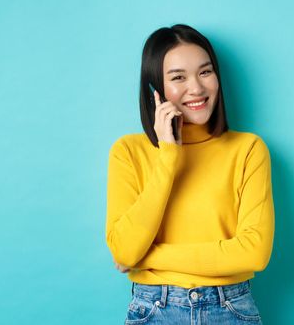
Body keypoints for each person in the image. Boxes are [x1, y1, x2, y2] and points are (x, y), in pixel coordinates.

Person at [105, 24, 275, 325]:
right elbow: (124, 247)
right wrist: (168, 156)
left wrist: (147, 257)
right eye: (178, 77)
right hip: (154, 309)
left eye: (205, 72)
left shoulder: (248, 149)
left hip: (230, 309)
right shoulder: (128, 152)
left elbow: (254, 253)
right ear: (155, 89)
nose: (196, 88)